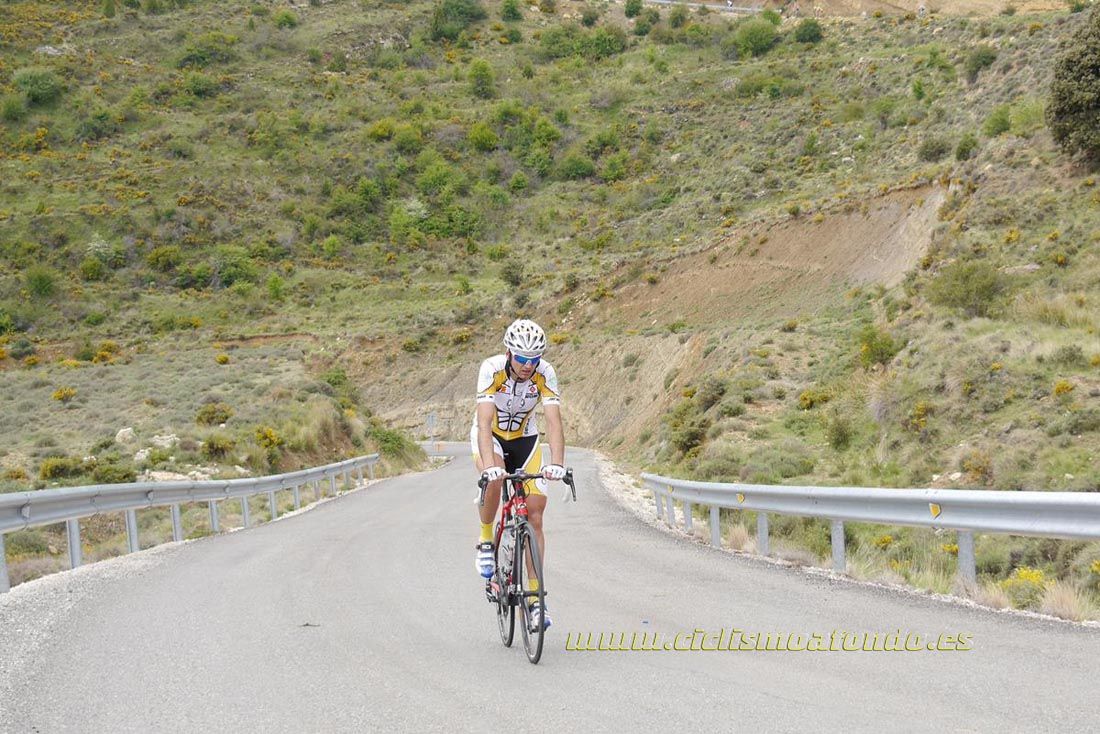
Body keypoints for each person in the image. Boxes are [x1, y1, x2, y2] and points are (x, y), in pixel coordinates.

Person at [471, 318, 565, 630]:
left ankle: (536, 602)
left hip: (526, 440)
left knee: (536, 513)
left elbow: (553, 422)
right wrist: (489, 466)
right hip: (493, 437)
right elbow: (484, 423)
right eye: (522, 359)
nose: (528, 365)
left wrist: (558, 464)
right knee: (495, 478)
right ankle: (486, 540)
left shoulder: (545, 373)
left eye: (534, 359)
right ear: (509, 353)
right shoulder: (492, 369)